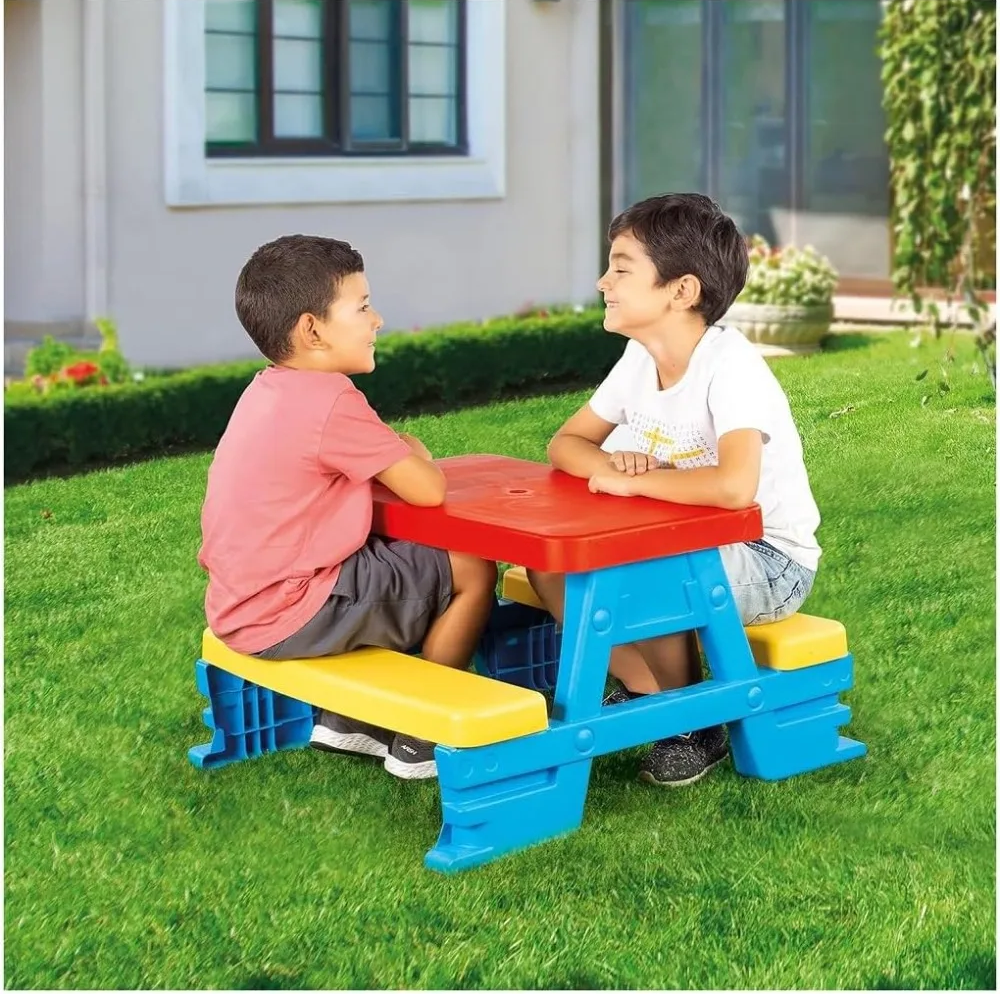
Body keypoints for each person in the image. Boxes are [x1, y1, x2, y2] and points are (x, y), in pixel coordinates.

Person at [526, 194, 821, 787]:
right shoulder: (639, 358)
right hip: (680, 543)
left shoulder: (730, 365)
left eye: (621, 267)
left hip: (768, 558)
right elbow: (566, 443)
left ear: (681, 291)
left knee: (647, 570)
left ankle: (694, 722)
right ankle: (647, 694)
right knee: (549, 568)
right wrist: (610, 464)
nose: (603, 280)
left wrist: (635, 485)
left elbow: (735, 488)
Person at [198, 235, 497, 781]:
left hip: (238, 605)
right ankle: (422, 732)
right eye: (361, 307)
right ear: (312, 330)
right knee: (472, 569)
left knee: (396, 563)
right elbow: (427, 488)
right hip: (289, 613)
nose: (377, 318)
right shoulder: (331, 398)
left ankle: (350, 720)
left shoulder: (266, 390)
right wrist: (414, 450)